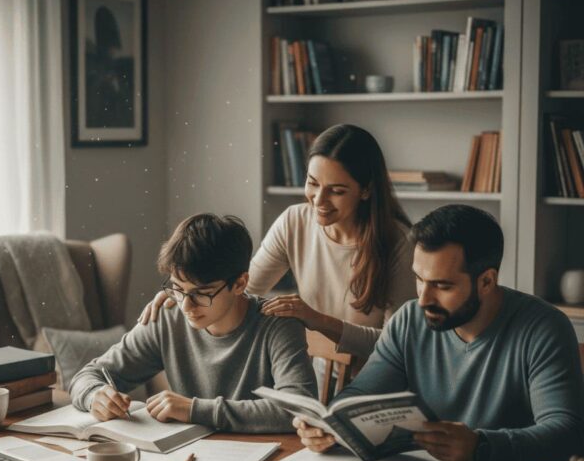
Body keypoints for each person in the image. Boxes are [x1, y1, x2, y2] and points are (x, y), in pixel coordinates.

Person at [70, 213, 316, 461]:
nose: (186, 304)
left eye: (201, 292)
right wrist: (95, 394)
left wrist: (197, 409)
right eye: (177, 288)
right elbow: (90, 373)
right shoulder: (168, 317)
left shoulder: (276, 326)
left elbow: (294, 407)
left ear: (240, 283)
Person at [295, 205, 584, 461]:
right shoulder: (408, 321)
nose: (423, 299)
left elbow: (564, 431)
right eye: (419, 280)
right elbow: (361, 395)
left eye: (442, 286)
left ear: (486, 281)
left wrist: (480, 446)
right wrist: (329, 423)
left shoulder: (544, 328)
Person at [138, 123, 415, 363]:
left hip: (374, 388)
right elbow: (242, 290)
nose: (318, 200)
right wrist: (186, 291)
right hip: (312, 376)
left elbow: (396, 348)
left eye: (337, 191)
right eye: (312, 183)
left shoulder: (398, 243)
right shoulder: (294, 221)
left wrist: (316, 319)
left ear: (366, 190)